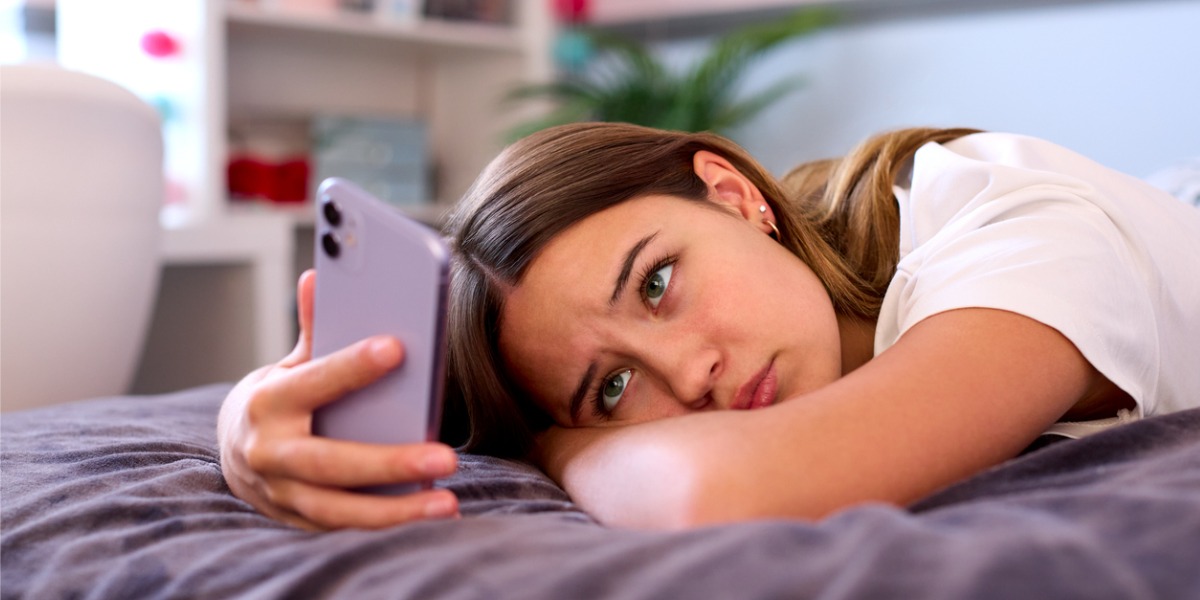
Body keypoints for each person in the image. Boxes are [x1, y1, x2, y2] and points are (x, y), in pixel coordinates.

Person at [218, 123, 1200, 531]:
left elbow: (722, 489)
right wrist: (238, 430)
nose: (689, 376)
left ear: (733, 196)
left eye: (656, 285)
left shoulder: (1014, 227)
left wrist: (563, 438)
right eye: (610, 388)